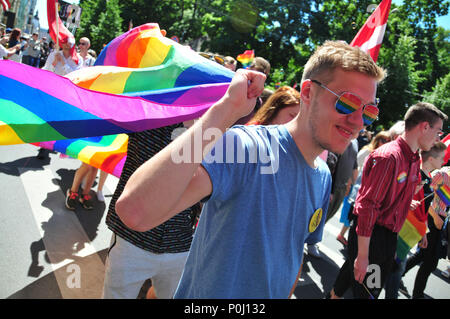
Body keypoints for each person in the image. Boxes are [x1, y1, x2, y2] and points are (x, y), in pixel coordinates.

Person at [115, 40, 386, 298]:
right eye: (347, 103)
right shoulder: (247, 147)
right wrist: (226, 110)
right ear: (307, 92)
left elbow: (292, 254)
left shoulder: (323, 175)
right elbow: (135, 212)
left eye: (369, 111)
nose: (358, 121)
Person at [329, 101, 447, 299]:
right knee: (368, 292)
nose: (438, 137)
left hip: (388, 237)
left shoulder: (414, 158)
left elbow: (399, 196)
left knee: (348, 282)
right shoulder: (388, 157)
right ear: (424, 127)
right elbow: (367, 207)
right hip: (373, 235)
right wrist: (364, 255)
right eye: (438, 132)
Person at [102, 124, 200, 299]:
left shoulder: (212, 130)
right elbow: (108, 107)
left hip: (180, 244)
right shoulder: (150, 117)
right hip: (131, 240)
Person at [384, 142, 447, 299]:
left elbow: (424, 207)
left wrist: (423, 232)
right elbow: (399, 198)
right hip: (399, 231)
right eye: (441, 157)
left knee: (393, 270)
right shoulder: (418, 174)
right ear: (431, 158)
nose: (444, 161)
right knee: (387, 271)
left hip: (412, 231)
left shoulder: (428, 178)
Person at [336, 131, 391, 247]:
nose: (386, 143)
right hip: (356, 185)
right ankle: (342, 234)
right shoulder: (368, 151)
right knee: (349, 212)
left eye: (388, 141)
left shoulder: (382, 155)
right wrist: (350, 182)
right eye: (383, 140)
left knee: (353, 214)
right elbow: (354, 165)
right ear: (377, 140)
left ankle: (343, 235)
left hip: (362, 187)